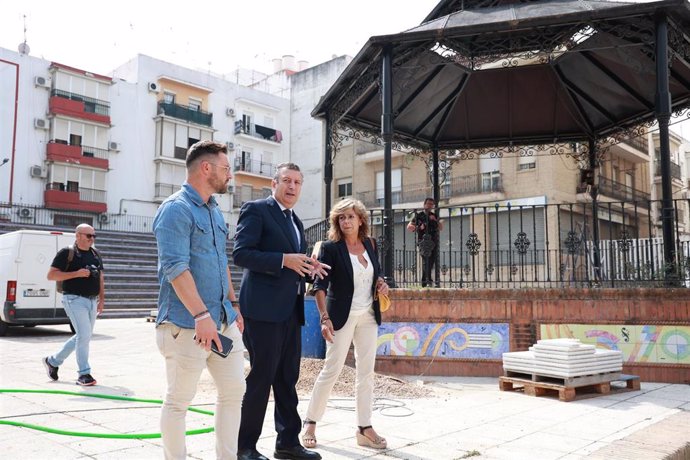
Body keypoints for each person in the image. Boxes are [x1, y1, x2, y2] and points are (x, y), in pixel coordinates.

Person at [153, 140, 245, 460]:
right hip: (186, 324)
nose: (229, 175)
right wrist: (202, 315)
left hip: (221, 321)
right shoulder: (175, 209)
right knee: (179, 401)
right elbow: (176, 268)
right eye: (225, 168)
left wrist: (233, 306)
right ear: (206, 168)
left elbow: (221, 262)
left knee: (234, 391)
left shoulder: (214, 210)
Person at [233, 162, 329, 460]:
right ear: (273, 183)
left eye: (298, 182)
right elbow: (241, 254)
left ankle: (287, 442)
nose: (292, 187)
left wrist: (309, 269)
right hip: (262, 311)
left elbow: (293, 264)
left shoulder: (296, 221)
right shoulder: (257, 209)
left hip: (291, 311)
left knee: (288, 377)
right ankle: (245, 447)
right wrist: (283, 260)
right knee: (262, 377)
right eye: (286, 180)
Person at [301, 198, 389, 451]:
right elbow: (319, 286)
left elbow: (377, 273)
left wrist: (381, 283)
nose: (346, 221)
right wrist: (324, 318)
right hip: (341, 316)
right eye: (341, 217)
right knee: (332, 369)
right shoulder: (331, 248)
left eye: (350, 216)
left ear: (360, 219)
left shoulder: (370, 244)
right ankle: (310, 422)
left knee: (366, 373)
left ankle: (364, 427)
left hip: (368, 316)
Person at [44, 223, 104, 386]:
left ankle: (53, 361)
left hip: (92, 301)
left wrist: (101, 300)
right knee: (84, 335)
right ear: (77, 235)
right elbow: (51, 275)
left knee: (82, 336)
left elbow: (100, 278)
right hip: (74, 299)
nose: (92, 239)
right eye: (88, 236)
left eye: (94, 236)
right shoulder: (66, 253)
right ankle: (84, 374)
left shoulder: (95, 253)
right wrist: (76, 274)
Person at [406, 197, 443, 287]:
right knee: (426, 260)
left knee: (432, 260)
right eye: (428, 203)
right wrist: (419, 228)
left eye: (431, 204)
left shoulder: (434, 215)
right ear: (424, 205)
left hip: (433, 241)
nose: (430, 205)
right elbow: (409, 227)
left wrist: (435, 220)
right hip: (422, 241)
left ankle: (425, 281)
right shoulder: (419, 216)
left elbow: (441, 228)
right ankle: (427, 281)